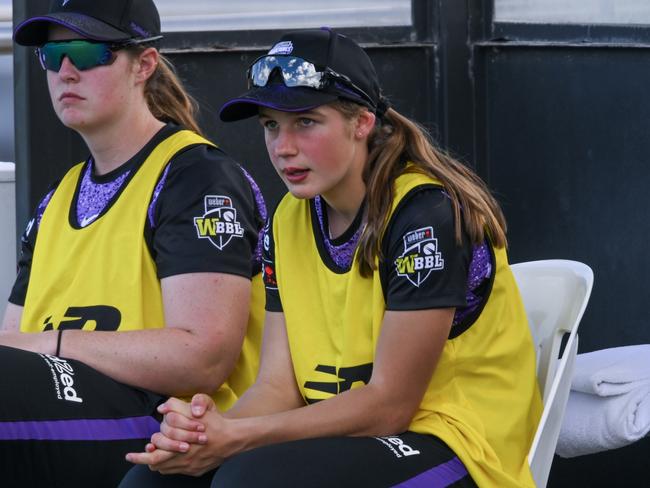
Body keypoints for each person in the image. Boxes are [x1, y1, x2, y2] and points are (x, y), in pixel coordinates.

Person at [121, 28, 542, 487]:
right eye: (270, 125)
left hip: (457, 445)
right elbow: (279, 387)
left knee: (249, 481)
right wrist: (208, 435)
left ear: (360, 122)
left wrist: (240, 437)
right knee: (160, 481)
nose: (283, 147)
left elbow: (390, 406)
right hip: (353, 434)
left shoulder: (427, 215)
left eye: (306, 122)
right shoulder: (288, 218)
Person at [0, 1, 265, 486]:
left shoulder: (196, 177)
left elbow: (202, 359)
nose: (64, 70)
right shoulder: (57, 200)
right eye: (51, 54)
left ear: (143, 64)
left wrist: (54, 344)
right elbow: (13, 339)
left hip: (168, 424)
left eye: (85, 52)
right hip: (67, 407)